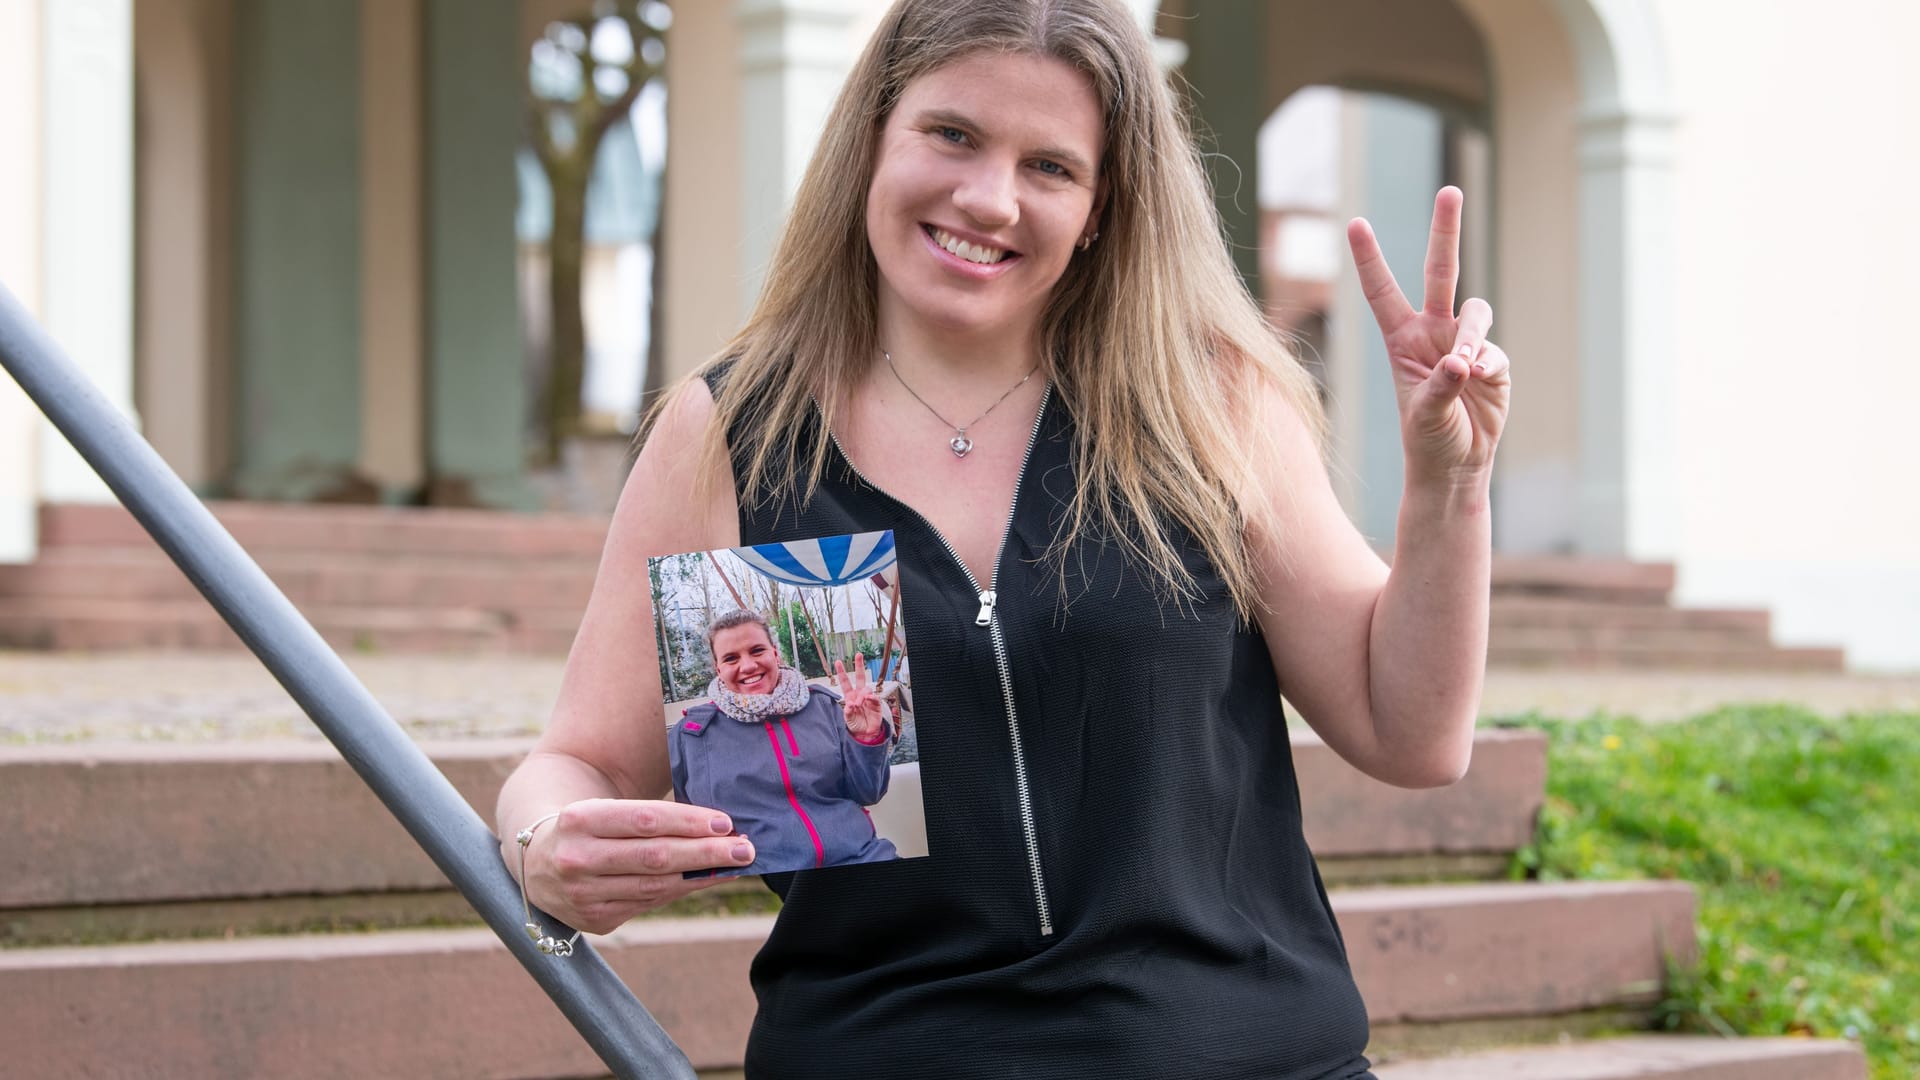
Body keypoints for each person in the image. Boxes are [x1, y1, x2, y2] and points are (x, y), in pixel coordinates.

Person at [497, 0, 1509, 1076]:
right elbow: (580, 761)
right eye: (953, 135)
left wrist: (1450, 487)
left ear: (1102, 208)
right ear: (872, 139)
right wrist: (544, 845)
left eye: (1051, 167)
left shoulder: (1208, 402)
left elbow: (1413, 736)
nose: (990, 199)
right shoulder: (732, 439)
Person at [670, 609, 897, 876]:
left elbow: (868, 793)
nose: (748, 666)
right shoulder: (691, 735)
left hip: (862, 860)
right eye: (731, 658)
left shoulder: (825, 707)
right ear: (718, 669)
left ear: (775, 654)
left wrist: (867, 738)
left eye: (757, 651)